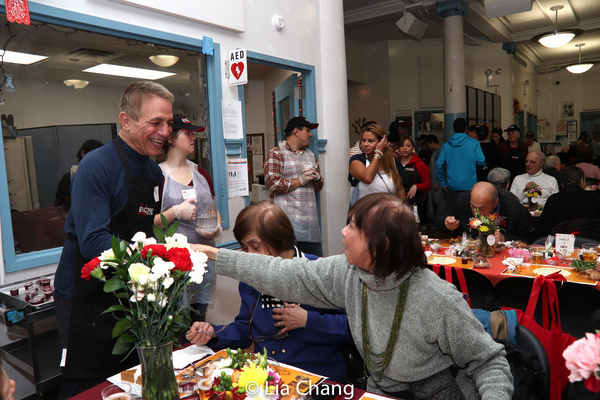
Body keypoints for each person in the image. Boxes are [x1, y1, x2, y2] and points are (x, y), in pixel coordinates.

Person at [191, 194, 513, 399]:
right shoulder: (349, 274)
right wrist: (216, 255)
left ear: (382, 246)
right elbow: (285, 275)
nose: (342, 233)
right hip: (374, 391)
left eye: (354, 228)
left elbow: (489, 361)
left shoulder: (436, 298)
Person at [54, 81, 173, 399]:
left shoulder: (154, 171)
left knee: (129, 376)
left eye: (168, 123)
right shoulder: (96, 166)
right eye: (155, 122)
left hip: (126, 286)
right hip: (85, 293)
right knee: (89, 381)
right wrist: (150, 260)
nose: (165, 131)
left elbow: (145, 230)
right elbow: (93, 242)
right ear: (126, 121)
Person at [186, 201, 352, 382]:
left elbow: (352, 329)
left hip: (318, 378)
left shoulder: (318, 271)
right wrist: (215, 332)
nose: (249, 255)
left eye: (255, 247)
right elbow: (246, 328)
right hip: (268, 378)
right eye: (244, 248)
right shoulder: (250, 278)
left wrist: (308, 320)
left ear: (280, 239)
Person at [154, 114, 222, 322]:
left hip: (204, 261)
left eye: (194, 134)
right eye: (188, 133)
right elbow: (152, 220)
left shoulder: (201, 173)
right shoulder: (158, 175)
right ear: (172, 139)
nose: (193, 138)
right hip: (172, 263)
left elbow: (213, 206)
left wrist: (216, 226)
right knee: (175, 322)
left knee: (199, 320)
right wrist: (176, 211)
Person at [264, 116, 324, 256]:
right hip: (286, 226)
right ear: (296, 131)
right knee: (288, 271)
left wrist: (317, 178)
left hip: (310, 228)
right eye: (307, 130)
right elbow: (272, 184)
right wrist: (301, 180)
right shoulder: (276, 154)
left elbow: (318, 187)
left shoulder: (311, 155)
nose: (310, 135)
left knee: (315, 268)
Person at [437, 181, 535, 243]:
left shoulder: (514, 208)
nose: (476, 212)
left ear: (495, 203)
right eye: (473, 206)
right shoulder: (462, 200)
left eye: (482, 208)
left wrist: (505, 238)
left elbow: (531, 239)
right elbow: (439, 221)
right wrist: (445, 223)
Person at [349, 123, 406, 207]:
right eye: (363, 140)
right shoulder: (357, 160)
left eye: (370, 141)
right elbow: (367, 178)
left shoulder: (392, 161)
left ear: (381, 142)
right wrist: (378, 153)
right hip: (364, 215)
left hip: (389, 215)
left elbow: (400, 189)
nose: (365, 144)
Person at [534, 166, 600, 237]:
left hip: (560, 243)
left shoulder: (554, 200)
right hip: (591, 242)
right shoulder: (595, 198)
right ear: (581, 181)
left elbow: (543, 228)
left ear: (562, 183)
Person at [436, 117, 485, 204]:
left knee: (454, 213)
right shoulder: (474, 143)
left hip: (452, 186)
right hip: (470, 185)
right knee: (468, 213)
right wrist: (474, 169)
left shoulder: (446, 145)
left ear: (453, 129)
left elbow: (439, 164)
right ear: (466, 128)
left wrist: (443, 182)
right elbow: (481, 161)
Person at [54, 139, 103, 212]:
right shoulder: (69, 178)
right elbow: (59, 206)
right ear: (83, 153)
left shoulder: (103, 176)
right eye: (95, 154)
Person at [396, 135, 430, 223]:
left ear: (413, 148)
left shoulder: (419, 164)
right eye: (402, 146)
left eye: (408, 146)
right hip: (396, 203)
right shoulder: (394, 163)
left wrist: (417, 186)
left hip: (414, 204)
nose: (404, 148)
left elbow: (428, 184)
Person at [426, 134, 445, 221]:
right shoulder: (435, 152)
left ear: (432, 143)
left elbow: (440, 167)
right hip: (434, 183)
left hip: (438, 184)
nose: (428, 147)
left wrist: (437, 181)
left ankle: (440, 223)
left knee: (439, 203)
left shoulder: (440, 151)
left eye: (428, 144)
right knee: (435, 203)